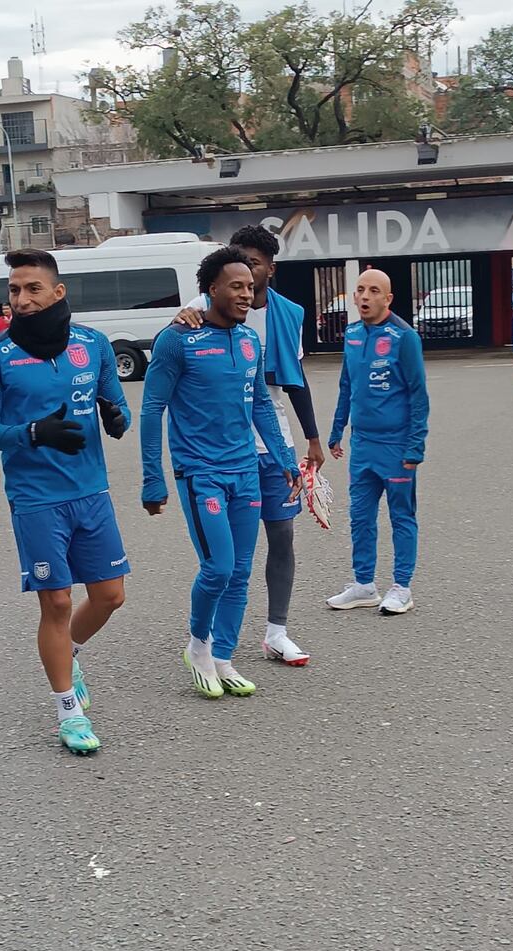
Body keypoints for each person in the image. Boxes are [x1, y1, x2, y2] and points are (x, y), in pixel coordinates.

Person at [0, 248, 131, 753]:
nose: (21, 298)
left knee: (110, 596)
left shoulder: (93, 344)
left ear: (59, 293)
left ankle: (71, 653)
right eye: (14, 290)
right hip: (36, 497)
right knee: (57, 601)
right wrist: (33, 432)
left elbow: (115, 400)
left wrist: (117, 416)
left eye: (32, 288)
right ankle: (69, 712)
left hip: (91, 492)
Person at [141, 246, 302, 698]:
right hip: (200, 473)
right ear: (211, 290)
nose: (246, 294)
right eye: (236, 286)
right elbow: (152, 408)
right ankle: (197, 647)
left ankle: (224, 657)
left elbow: (260, 407)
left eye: (250, 286)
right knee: (218, 568)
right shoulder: (177, 339)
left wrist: (287, 460)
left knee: (241, 571)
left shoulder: (251, 341)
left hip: (246, 471)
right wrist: (153, 477)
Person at [173, 225, 323, 667]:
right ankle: (213, 641)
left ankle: (277, 631)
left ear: (270, 269)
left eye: (254, 264)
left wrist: (312, 439)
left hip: (272, 438)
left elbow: (294, 381)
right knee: (227, 557)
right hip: (219, 449)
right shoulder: (203, 309)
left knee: (282, 533)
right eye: (238, 262)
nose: (246, 273)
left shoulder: (289, 314)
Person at [327, 269, 429, 615]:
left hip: (397, 446)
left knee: (401, 516)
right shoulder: (353, 334)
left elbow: (418, 395)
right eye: (360, 290)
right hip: (363, 445)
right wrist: (337, 428)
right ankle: (364, 585)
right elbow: (346, 385)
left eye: (374, 291)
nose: (365, 296)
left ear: (388, 299)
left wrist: (416, 445)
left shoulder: (404, 337)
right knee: (360, 516)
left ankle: (402, 587)